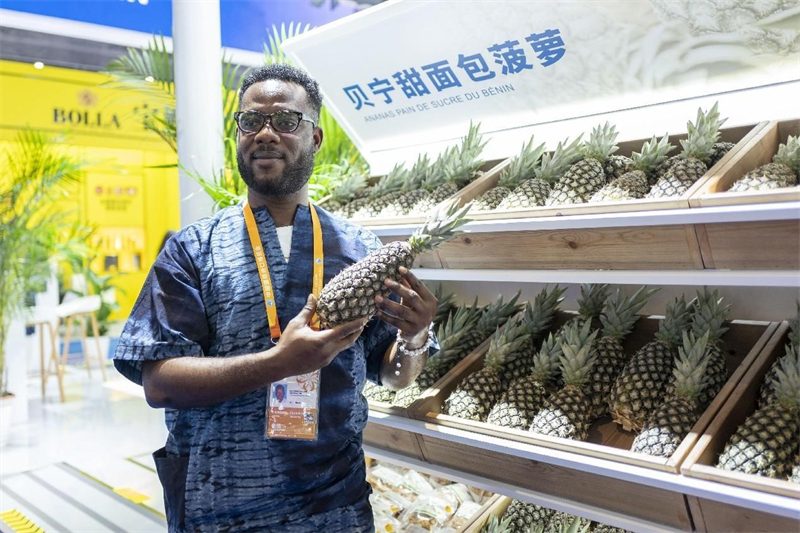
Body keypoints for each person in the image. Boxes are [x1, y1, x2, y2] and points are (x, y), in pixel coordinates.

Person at [113, 64, 438, 533]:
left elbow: (392, 375)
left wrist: (416, 334)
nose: (266, 133)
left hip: (333, 505)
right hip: (219, 502)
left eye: (286, 121)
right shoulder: (193, 249)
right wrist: (279, 362)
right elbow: (159, 383)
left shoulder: (362, 250)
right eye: (251, 121)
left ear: (316, 137)